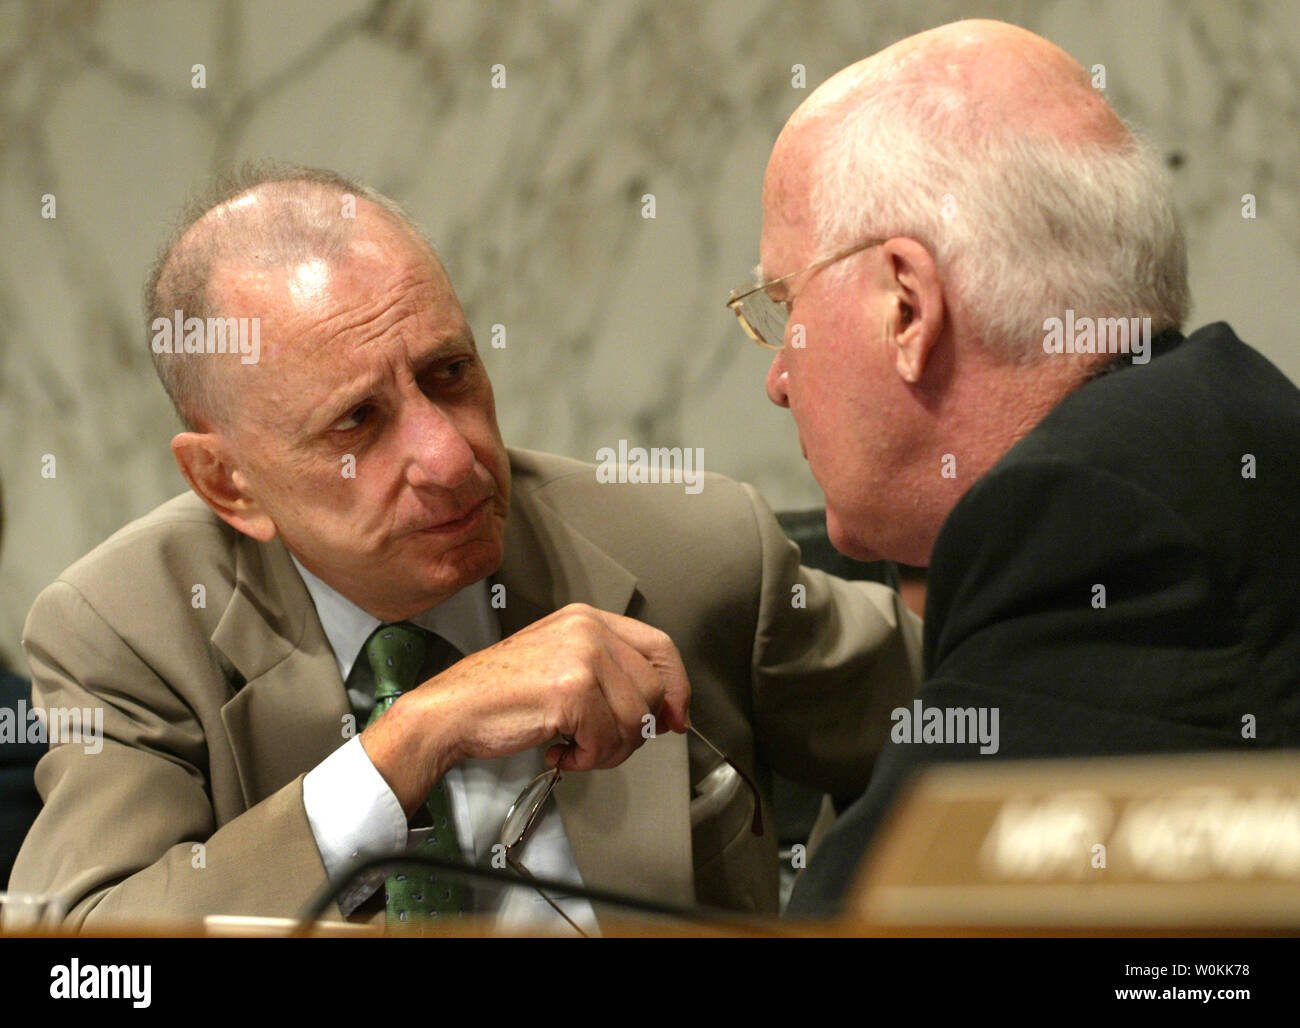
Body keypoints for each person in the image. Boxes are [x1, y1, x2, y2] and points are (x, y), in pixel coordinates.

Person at [12, 164, 922, 931]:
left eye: (450, 375)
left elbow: (992, 717)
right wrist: (412, 739)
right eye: (357, 423)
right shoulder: (129, 630)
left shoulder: (695, 550)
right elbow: (81, 965)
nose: (451, 458)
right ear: (228, 483)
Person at [724, 19, 1300, 914]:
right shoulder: (1218, 430)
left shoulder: (1091, 524)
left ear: (908, 308)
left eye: (786, 302)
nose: (777, 379)